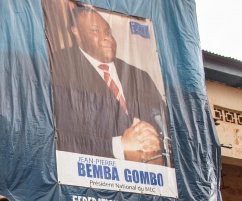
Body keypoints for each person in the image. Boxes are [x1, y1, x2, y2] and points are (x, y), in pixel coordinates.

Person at [48, 6, 169, 164]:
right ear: (76, 31)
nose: (106, 38)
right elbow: (59, 135)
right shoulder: (56, 68)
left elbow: (165, 124)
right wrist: (119, 145)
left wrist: (155, 139)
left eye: (108, 32)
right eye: (95, 31)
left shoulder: (139, 76)